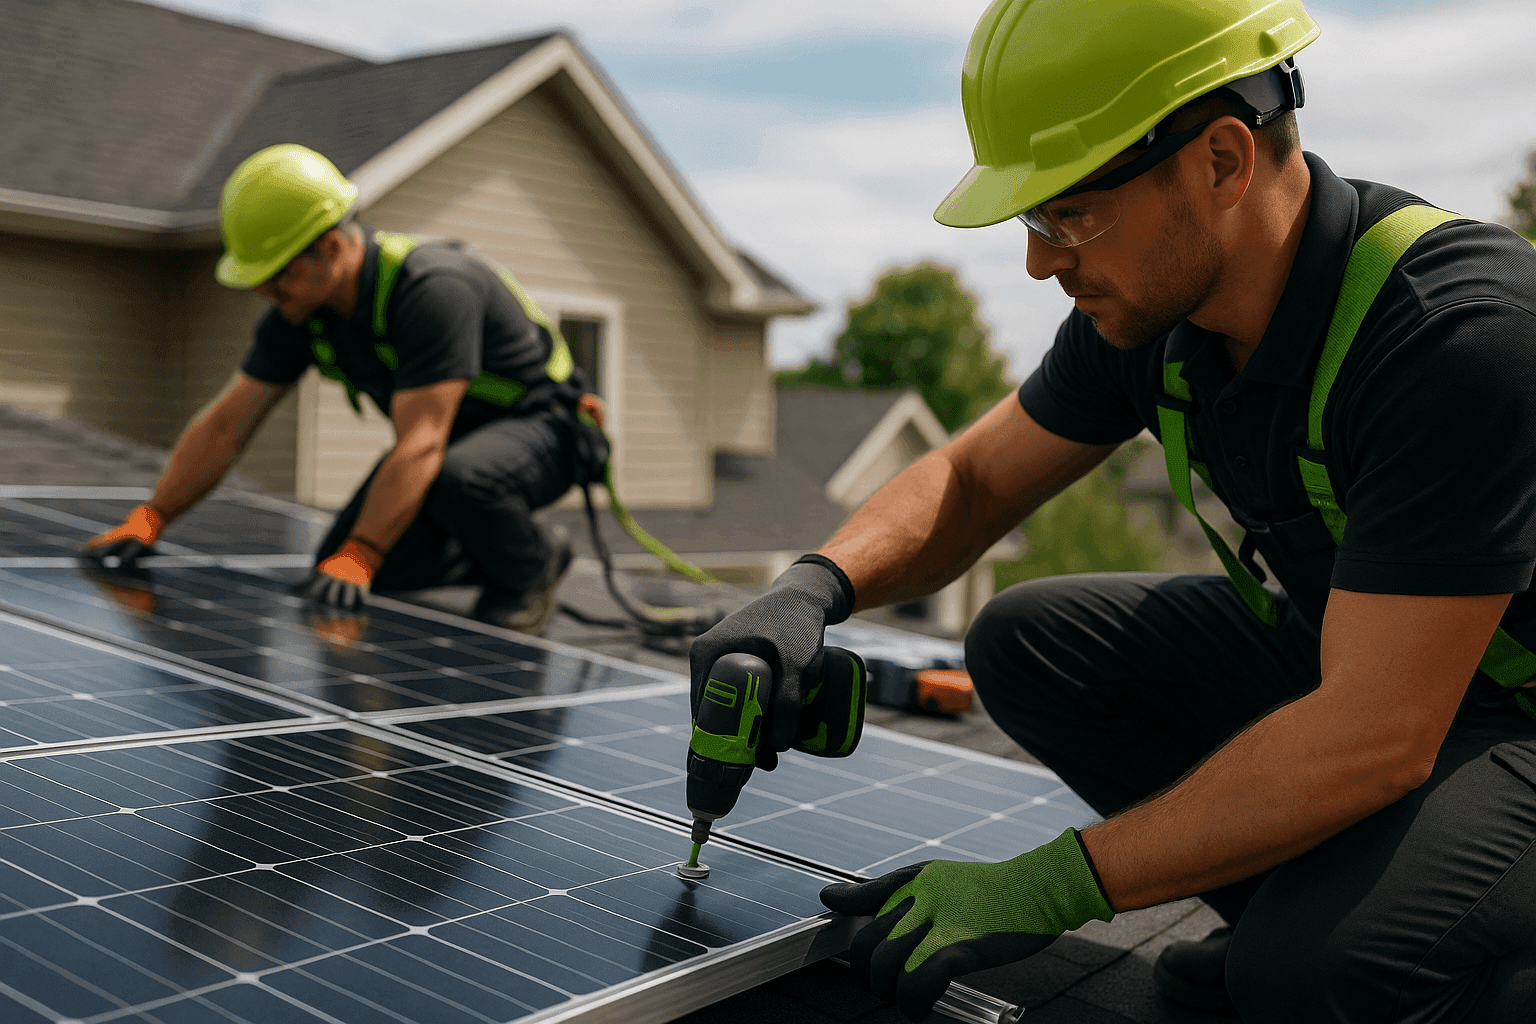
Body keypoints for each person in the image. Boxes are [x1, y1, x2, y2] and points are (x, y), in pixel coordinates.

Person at [689, 0, 1536, 1020]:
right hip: (1396, 680)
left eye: (1069, 213)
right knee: (1031, 640)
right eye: (1032, 221)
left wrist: (1051, 883)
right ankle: (1311, 904)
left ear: (1223, 161)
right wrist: (810, 590)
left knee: (1307, 977)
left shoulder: (1455, 332)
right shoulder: (1155, 314)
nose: (1041, 261)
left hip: (1498, 720)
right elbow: (972, 482)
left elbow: (1376, 734)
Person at [84, 144, 605, 636]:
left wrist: (364, 549)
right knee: (336, 572)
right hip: (447, 449)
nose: (265, 292)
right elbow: (226, 425)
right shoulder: (301, 315)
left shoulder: (434, 290)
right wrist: (152, 517)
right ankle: (522, 547)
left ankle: (527, 571)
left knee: (436, 495)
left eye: (276, 276)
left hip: (547, 434)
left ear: (330, 248)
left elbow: (422, 441)